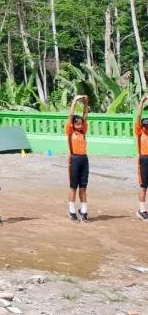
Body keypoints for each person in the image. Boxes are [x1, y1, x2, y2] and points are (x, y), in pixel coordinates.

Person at [66, 95, 90, 223]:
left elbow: (85, 116)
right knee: (73, 186)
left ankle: (84, 211)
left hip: (84, 160)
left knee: (83, 187)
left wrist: (85, 103)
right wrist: (75, 101)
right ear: (73, 124)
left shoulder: (83, 132)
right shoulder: (70, 131)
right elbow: (71, 116)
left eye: (81, 123)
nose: (80, 125)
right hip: (74, 160)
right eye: (77, 123)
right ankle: (71, 211)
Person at [135, 95, 148, 220]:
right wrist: (142, 102)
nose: (146, 128)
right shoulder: (139, 133)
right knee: (143, 186)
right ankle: (141, 210)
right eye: (145, 126)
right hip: (143, 160)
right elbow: (138, 116)